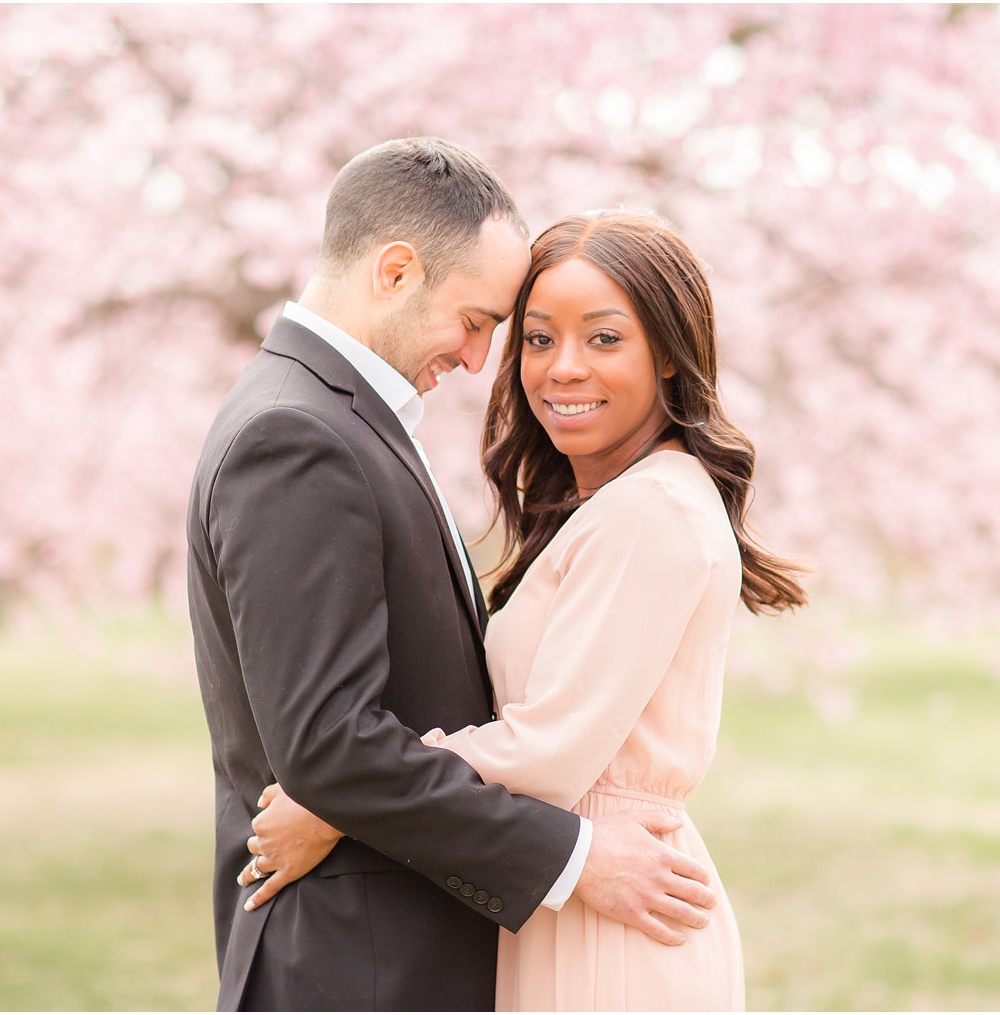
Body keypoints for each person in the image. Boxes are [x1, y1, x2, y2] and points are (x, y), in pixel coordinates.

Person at [185, 140, 717, 1012]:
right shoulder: (299, 436)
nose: (481, 360)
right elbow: (329, 747)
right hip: (355, 964)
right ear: (396, 271)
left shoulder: (336, 418)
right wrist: (577, 853)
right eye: (479, 322)